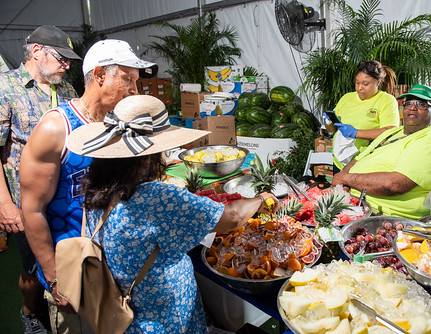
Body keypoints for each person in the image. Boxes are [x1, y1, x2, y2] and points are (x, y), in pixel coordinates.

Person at [63, 94, 279, 333]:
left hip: (124, 313)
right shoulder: (155, 196)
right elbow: (233, 218)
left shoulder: (97, 189)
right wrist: (261, 199)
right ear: (149, 155)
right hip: (166, 319)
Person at [19, 39, 158, 333]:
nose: (135, 90)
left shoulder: (118, 124)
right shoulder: (57, 128)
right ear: (99, 76)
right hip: (75, 270)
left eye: (136, 81)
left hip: (114, 273)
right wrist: (56, 279)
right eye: (127, 79)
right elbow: (32, 209)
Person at [0, 25, 81, 334]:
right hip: (25, 203)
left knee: (65, 260)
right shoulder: (6, 88)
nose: (67, 65)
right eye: (62, 58)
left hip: (67, 196)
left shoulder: (67, 90)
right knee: (34, 268)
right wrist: (5, 204)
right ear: (37, 52)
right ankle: (30, 311)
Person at [330, 84, 431, 219]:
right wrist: (344, 187)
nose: (412, 108)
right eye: (408, 104)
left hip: (384, 218)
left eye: (421, 104)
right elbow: (358, 159)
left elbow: (394, 185)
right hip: (353, 205)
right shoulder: (393, 132)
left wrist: (345, 179)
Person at [330, 60, 400, 171]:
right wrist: (327, 125)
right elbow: (334, 127)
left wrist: (357, 133)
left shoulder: (386, 101)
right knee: (338, 189)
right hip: (339, 163)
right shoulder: (346, 98)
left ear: (378, 82)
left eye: (365, 84)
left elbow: (391, 131)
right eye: (357, 83)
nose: (359, 88)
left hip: (366, 164)